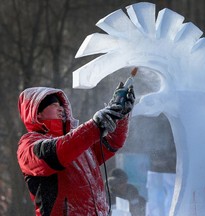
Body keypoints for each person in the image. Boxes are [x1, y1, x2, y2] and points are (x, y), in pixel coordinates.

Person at [17, 83, 135, 216]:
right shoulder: (28, 144)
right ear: (37, 114)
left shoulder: (80, 140)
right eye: (53, 105)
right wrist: (94, 126)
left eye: (60, 105)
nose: (60, 108)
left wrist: (121, 116)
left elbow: (112, 142)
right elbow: (57, 152)